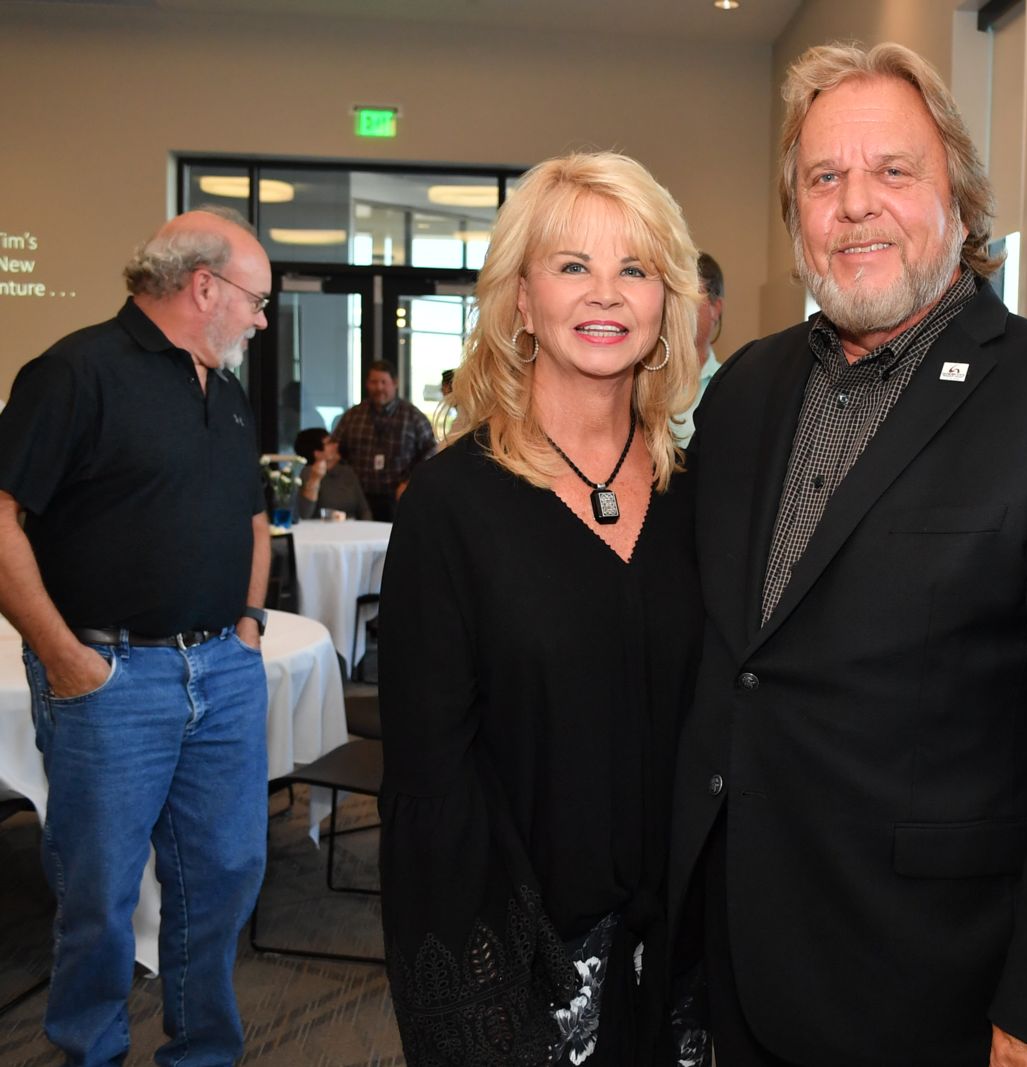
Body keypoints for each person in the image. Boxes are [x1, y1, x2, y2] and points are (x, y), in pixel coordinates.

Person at [670, 42, 1027, 1067]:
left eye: (892, 172)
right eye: (824, 178)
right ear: (795, 216)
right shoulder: (741, 395)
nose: (854, 204)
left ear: (960, 200)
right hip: (736, 945)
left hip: (937, 980)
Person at [378, 151, 707, 1067]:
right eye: (573, 266)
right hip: (522, 970)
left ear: (666, 301)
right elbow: (429, 788)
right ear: (521, 300)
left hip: (689, 965)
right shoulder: (450, 505)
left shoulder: (705, 495)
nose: (606, 294)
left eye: (634, 268)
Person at [0, 207, 272, 1066]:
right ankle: (92, 1052)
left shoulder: (222, 389)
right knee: (100, 894)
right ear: (205, 286)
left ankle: (202, 1052)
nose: (262, 319)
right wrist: (65, 657)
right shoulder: (74, 372)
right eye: (258, 300)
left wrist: (250, 627)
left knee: (225, 875)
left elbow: (254, 518)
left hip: (221, 672)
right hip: (111, 679)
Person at [333, 359, 436, 520]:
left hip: (398, 497)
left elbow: (431, 452)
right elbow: (336, 450)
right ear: (367, 384)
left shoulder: (413, 417)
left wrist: (410, 482)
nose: (379, 388)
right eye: (374, 382)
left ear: (395, 383)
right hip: (359, 498)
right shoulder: (353, 415)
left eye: (383, 382)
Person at [675, 251, 724, 444]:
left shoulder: (730, 387)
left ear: (715, 308)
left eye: (689, 297)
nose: (677, 309)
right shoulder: (638, 382)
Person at [293, 427, 372, 520]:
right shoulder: (307, 474)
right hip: (322, 530)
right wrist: (315, 479)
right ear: (317, 453)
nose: (336, 445)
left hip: (353, 529)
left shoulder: (347, 472)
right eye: (330, 443)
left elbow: (364, 510)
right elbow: (305, 514)